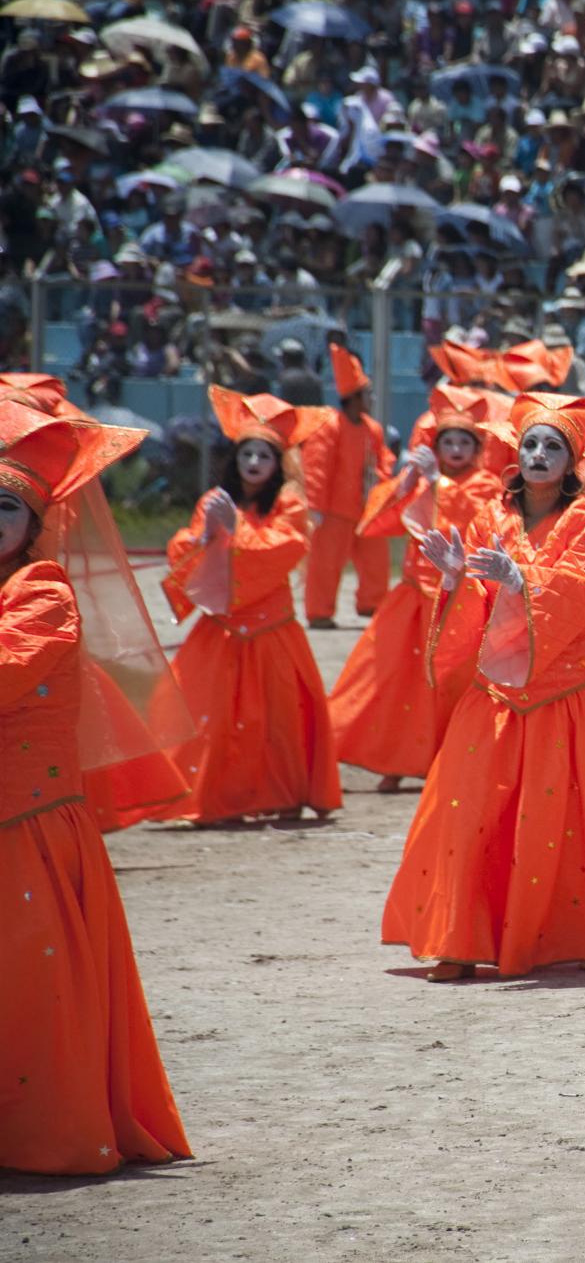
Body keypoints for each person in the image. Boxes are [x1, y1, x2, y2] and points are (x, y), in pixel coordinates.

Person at [381, 393, 585, 981]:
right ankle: (459, 940)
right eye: (530, 444)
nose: (538, 454)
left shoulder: (584, 521)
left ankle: (563, 936)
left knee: (565, 829)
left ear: (571, 462)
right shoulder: (491, 515)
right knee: (470, 815)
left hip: (567, 697)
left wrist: (521, 580)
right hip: (497, 699)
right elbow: (479, 601)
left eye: (552, 446)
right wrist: (455, 579)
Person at [0, 402, 192, 1175]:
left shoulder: (44, 592)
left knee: (29, 984)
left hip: (27, 827)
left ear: (34, 523)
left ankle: (43, 1133)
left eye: (5, 507)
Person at [161, 388, 343, 825]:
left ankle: (282, 794)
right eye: (247, 454)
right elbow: (184, 549)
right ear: (235, 459)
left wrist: (232, 533)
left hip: (271, 630)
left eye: (264, 455)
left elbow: (285, 548)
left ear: (278, 463)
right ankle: (212, 799)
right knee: (210, 717)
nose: (255, 462)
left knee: (277, 722)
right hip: (221, 628)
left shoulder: (289, 502)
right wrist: (204, 538)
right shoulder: (214, 500)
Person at [327, 385, 507, 792]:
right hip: (412, 597)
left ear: (477, 448)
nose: (456, 450)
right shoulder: (423, 482)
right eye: (448, 442)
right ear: (435, 446)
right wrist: (407, 480)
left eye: (464, 442)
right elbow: (375, 523)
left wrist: (437, 483)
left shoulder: (485, 484)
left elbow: (474, 523)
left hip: (459, 598)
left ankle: (446, 760)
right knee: (395, 678)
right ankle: (394, 760)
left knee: (449, 682)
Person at [299, 344, 394, 629]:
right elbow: (317, 467)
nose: (371, 399)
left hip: (367, 509)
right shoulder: (329, 425)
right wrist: (315, 507)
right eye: (367, 394)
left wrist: (380, 480)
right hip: (334, 510)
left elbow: (384, 460)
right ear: (353, 398)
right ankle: (319, 612)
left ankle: (372, 605)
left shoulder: (372, 428)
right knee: (326, 563)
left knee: (376, 561)